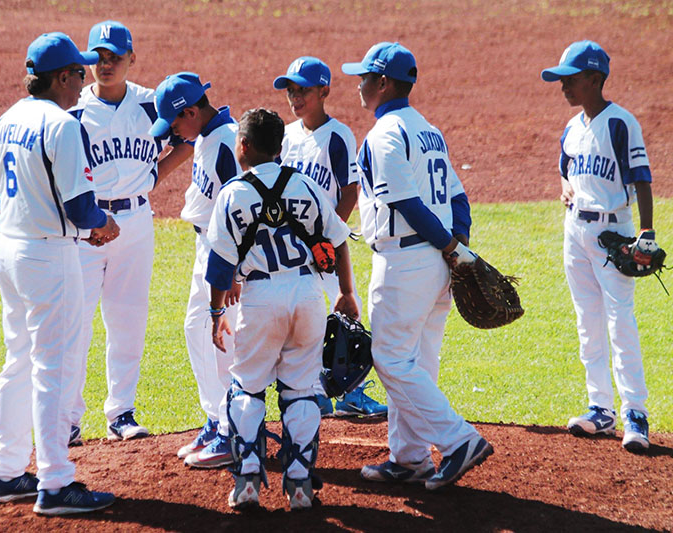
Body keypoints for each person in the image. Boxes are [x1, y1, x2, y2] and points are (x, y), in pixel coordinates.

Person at [342, 42, 493, 490]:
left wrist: (449, 245)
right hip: (436, 260)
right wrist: (456, 246)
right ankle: (409, 459)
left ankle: (458, 440)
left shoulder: (385, 134)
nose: (359, 84)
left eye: (365, 77)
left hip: (408, 260)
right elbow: (459, 197)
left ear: (383, 83)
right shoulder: (429, 130)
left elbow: (405, 202)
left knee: (389, 357)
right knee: (418, 362)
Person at [0, 31, 117, 515]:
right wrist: (105, 224)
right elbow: (82, 208)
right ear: (61, 77)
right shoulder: (62, 125)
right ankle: (56, 483)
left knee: (18, 360)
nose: (83, 82)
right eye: (79, 74)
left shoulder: (8, 119)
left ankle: (5, 472)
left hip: (9, 249)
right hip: (48, 257)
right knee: (54, 368)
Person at [206, 108, 359, 510]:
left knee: (247, 387)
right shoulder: (306, 186)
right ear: (279, 146)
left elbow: (220, 268)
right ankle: (300, 486)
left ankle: (248, 483)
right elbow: (338, 239)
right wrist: (346, 292)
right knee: (301, 389)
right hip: (308, 293)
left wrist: (216, 313)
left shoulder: (233, 194)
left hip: (261, 297)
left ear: (244, 146)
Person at [67, 21, 193, 444]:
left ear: (131, 59)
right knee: (76, 323)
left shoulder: (150, 104)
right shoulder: (74, 110)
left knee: (128, 320)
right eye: (99, 58)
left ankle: (121, 412)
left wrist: (153, 179)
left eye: (114, 57)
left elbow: (189, 139)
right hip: (87, 227)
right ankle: (67, 420)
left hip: (137, 222)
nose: (106, 65)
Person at [541, 40, 656, 453]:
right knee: (587, 320)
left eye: (570, 80)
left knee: (619, 320)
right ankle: (599, 408)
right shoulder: (573, 128)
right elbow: (564, 171)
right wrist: (566, 188)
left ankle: (635, 412)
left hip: (615, 234)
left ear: (595, 79)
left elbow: (642, 177)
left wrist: (647, 233)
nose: (564, 88)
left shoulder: (621, 123)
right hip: (576, 233)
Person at [273, 56, 387, 419]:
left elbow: (350, 190)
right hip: (290, 247)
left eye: (302, 90)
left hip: (322, 245)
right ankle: (316, 391)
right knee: (305, 323)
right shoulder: (286, 136)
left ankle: (351, 393)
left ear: (324, 90)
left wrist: (327, 233)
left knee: (339, 320)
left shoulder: (336, 135)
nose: (295, 97)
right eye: (291, 91)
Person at [148, 72, 241, 468]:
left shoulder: (224, 143)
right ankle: (217, 417)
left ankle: (232, 431)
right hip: (206, 246)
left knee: (220, 340)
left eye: (173, 125)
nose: (172, 135)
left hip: (224, 252)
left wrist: (232, 268)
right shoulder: (204, 137)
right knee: (196, 329)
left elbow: (240, 208)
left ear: (190, 112)